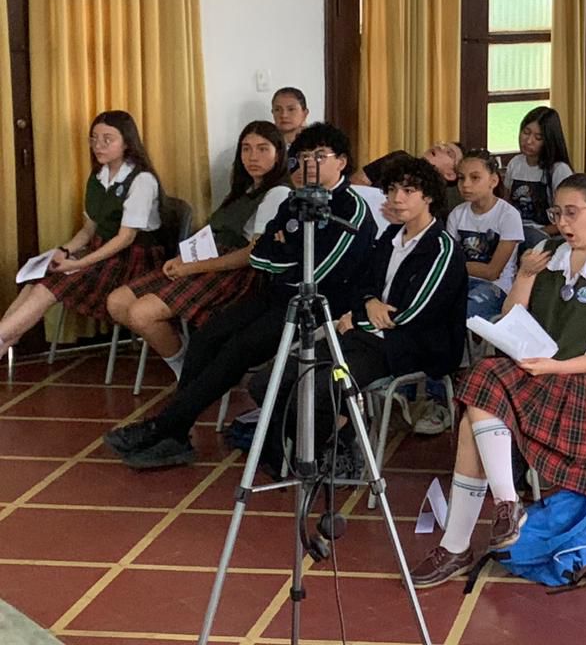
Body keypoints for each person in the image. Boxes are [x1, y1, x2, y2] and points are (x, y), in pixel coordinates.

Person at [408, 174, 586, 586]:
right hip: (536, 375)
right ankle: (503, 507)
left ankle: (461, 541)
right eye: (557, 213)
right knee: (482, 382)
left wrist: (556, 367)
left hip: (584, 384)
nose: (563, 223)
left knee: (477, 400)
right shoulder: (547, 254)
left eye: (573, 213)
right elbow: (510, 317)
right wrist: (524, 277)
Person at [102, 123, 378, 469]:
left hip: (317, 306)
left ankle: (165, 428)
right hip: (277, 294)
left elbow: (315, 272)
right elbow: (261, 255)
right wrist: (284, 254)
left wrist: (283, 252)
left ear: (342, 162)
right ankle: (175, 432)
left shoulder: (352, 210)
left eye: (320, 156)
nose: (311, 164)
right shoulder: (295, 201)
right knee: (207, 337)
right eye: (305, 157)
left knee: (237, 350)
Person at [254, 153, 468, 477]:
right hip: (364, 335)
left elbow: (412, 313)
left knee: (319, 388)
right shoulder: (391, 236)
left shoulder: (442, 248)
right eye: (392, 190)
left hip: (408, 346)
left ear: (428, 197)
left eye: (408, 191)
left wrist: (358, 318)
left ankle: (325, 448)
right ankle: (318, 441)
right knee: (268, 381)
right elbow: (361, 283)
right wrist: (368, 302)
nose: (397, 198)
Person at [106, 121, 292, 377]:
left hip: (235, 274)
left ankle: (187, 370)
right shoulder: (245, 188)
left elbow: (253, 254)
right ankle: (189, 358)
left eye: (263, 149)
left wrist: (192, 267)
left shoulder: (277, 193)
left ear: (278, 154)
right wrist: (183, 258)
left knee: (141, 314)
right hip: (206, 258)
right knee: (117, 302)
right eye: (246, 149)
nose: (253, 157)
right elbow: (213, 232)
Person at [0, 111, 165, 359]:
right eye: (94, 139)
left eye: (107, 139)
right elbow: (89, 230)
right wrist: (64, 251)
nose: (98, 145)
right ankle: (4, 342)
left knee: (53, 285)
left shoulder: (141, 180)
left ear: (127, 143)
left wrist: (79, 263)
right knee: (39, 276)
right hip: (102, 251)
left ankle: (2, 337)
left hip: (132, 259)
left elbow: (125, 239)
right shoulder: (98, 176)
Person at [446, 149, 524, 321]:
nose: (466, 184)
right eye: (461, 178)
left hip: (496, 288)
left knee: (461, 313)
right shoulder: (457, 214)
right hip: (461, 282)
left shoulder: (508, 215)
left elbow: (492, 272)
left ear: (493, 181)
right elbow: (448, 261)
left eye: (475, 178)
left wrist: (457, 266)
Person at [505, 106, 573, 229]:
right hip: (516, 231)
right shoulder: (515, 163)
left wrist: (539, 235)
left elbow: (568, 217)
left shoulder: (559, 170)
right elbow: (506, 204)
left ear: (549, 140)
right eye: (526, 133)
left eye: (538, 138)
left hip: (548, 234)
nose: (528, 141)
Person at [271, 87, 309, 175]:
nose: (284, 115)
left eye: (291, 109)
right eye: (277, 110)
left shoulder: (315, 145)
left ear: (305, 113)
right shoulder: (267, 144)